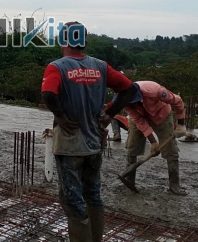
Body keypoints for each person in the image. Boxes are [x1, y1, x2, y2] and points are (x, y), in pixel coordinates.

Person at [41, 21, 138, 242]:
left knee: (72, 199)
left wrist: (60, 116)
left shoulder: (57, 66)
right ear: (83, 41)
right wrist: (109, 114)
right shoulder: (100, 66)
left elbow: (48, 94)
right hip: (95, 142)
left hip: (69, 145)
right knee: (93, 195)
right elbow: (129, 89)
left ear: (63, 40)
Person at [114, 81, 188, 195]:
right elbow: (139, 120)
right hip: (139, 118)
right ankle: (129, 181)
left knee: (170, 149)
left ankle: (174, 185)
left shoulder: (155, 91)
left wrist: (181, 124)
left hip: (161, 115)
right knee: (132, 147)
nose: (133, 105)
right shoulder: (125, 101)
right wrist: (153, 142)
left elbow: (177, 101)